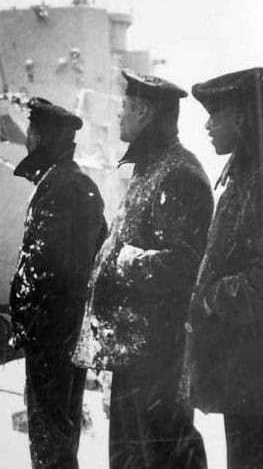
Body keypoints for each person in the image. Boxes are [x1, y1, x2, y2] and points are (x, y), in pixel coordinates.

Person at [75, 70, 211, 469]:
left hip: (158, 360)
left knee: (165, 455)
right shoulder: (150, 170)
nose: (119, 116)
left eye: (124, 108)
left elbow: (188, 266)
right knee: (133, 459)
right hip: (135, 356)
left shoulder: (179, 174)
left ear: (145, 111)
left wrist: (128, 263)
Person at [183, 67, 263, 469]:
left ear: (241, 120)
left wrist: (208, 299)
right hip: (253, 378)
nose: (207, 124)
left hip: (261, 379)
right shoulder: (250, 177)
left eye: (215, 114)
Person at [9, 97, 107, 469]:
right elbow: (97, 254)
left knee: (49, 435)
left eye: (32, 131)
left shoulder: (58, 187)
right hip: (67, 331)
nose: (27, 139)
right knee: (61, 432)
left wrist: (29, 325)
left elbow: (42, 269)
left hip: (51, 337)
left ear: (42, 137)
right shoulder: (81, 186)